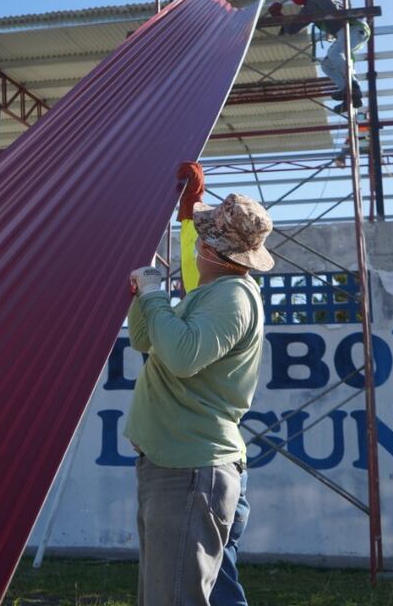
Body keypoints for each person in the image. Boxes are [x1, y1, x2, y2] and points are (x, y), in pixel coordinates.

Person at [126, 182, 273, 605]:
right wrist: (145, 299)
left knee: (173, 597)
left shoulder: (232, 296)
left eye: (200, 239)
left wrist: (154, 294)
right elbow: (144, 338)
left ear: (210, 250)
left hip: (190, 471)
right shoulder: (212, 293)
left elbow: (181, 356)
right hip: (179, 467)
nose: (194, 245)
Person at [175, 163, 251, 606]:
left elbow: (195, 272)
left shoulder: (225, 304)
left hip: (207, 467)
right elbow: (195, 269)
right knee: (214, 576)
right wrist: (190, 216)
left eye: (207, 237)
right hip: (221, 464)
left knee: (210, 583)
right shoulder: (222, 291)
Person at [271, 0, 370, 114]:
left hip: (354, 29)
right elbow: (291, 29)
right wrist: (278, 15)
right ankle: (348, 94)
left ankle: (354, 87)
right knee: (326, 65)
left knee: (335, 54)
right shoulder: (307, 11)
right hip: (348, 33)